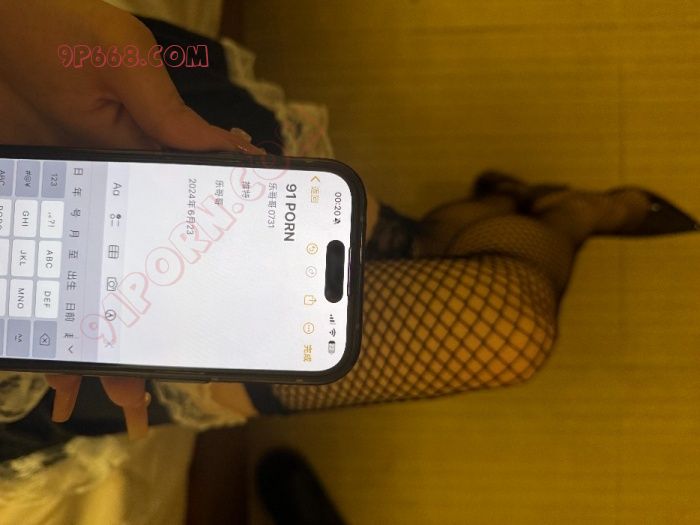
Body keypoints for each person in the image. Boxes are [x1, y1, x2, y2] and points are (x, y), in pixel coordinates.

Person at [1, 0, 698, 458]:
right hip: (55, 343)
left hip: (59, 154)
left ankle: (521, 219)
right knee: (511, 326)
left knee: (480, 306)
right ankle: (553, 215)